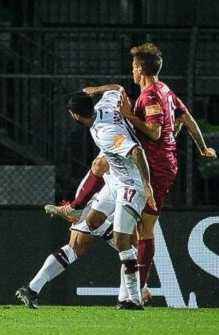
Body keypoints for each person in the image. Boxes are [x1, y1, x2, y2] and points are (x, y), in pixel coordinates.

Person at [46, 43, 217, 303]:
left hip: (155, 167)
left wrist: (129, 116)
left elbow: (155, 132)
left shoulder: (149, 96)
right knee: (100, 164)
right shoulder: (164, 89)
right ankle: (78, 208)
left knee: (145, 229)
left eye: (133, 67)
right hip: (150, 161)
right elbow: (186, 118)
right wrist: (203, 148)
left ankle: (139, 289)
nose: (132, 71)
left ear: (139, 68)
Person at [62, 86, 155, 309]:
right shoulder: (105, 103)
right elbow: (118, 88)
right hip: (114, 181)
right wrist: (97, 89)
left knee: (122, 240)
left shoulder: (106, 132)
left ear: (75, 115)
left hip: (130, 185)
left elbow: (136, 151)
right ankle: (131, 264)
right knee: (93, 220)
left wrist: (146, 185)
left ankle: (134, 297)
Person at [16, 168, 119, 309]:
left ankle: (31, 289)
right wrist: (78, 205)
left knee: (76, 248)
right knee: (127, 244)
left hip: (111, 197)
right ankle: (134, 293)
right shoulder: (120, 147)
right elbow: (98, 165)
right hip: (101, 198)